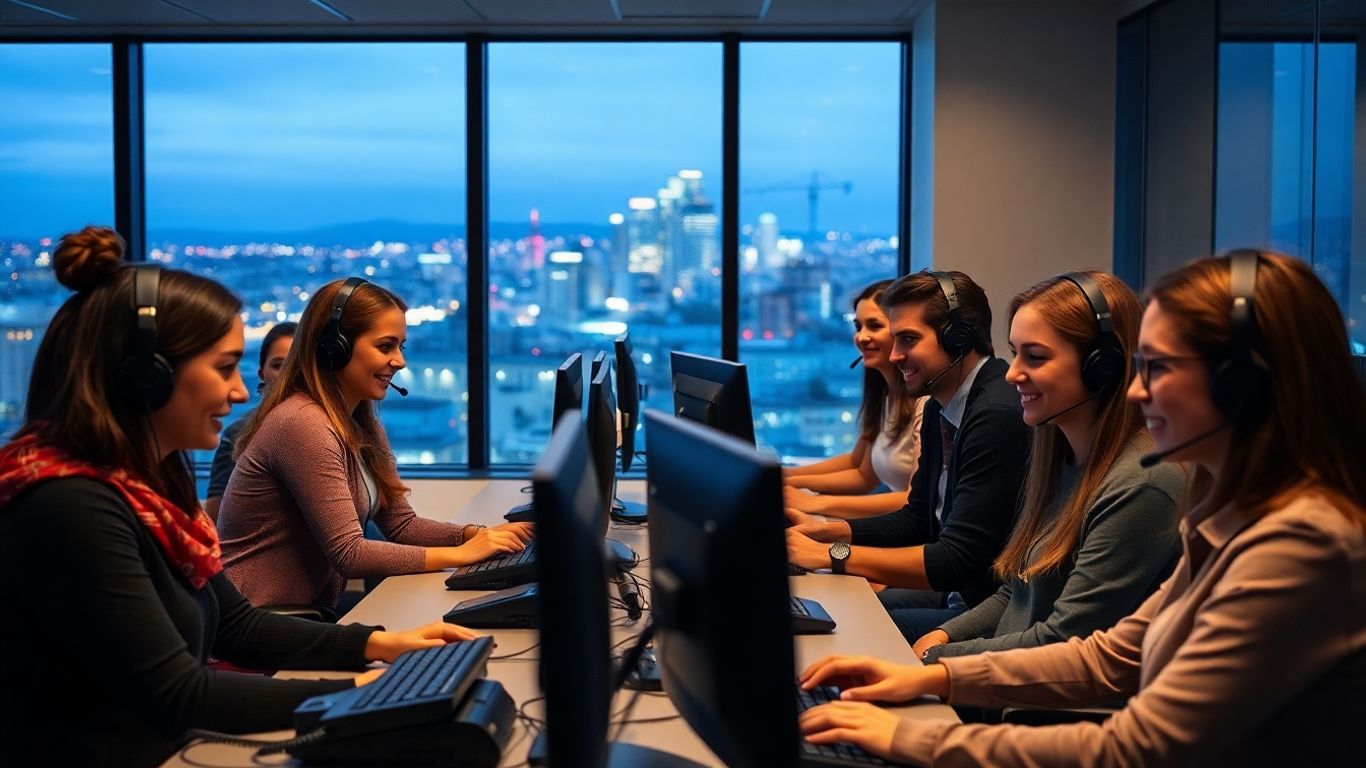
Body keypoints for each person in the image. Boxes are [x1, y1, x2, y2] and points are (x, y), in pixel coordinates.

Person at [798, 250, 1366, 765]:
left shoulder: (1300, 543)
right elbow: (1112, 656)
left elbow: (1139, 745)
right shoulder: (1230, 517)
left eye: (1160, 368)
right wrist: (938, 676)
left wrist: (913, 736)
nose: (1138, 391)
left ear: (1243, 388)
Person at [0, 227, 480, 767]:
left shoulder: (150, 483)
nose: (239, 391)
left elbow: (236, 625)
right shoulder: (71, 505)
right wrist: (366, 693)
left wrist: (379, 645)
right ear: (146, 378)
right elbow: (181, 694)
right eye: (225, 367)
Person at [911, 271, 1182, 670]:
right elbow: (1014, 592)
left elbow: (1062, 639)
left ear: (1102, 367)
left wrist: (938, 659)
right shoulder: (1059, 458)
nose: (1011, 373)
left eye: (1034, 357)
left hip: (1044, 708)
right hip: (1007, 690)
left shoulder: (1143, 484)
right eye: (1015, 352)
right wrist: (945, 635)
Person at [217, 277, 532, 613]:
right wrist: (460, 554)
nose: (399, 361)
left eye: (401, 347)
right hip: (257, 624)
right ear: (333, 348)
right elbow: (350, 554)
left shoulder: (361, 423)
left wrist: (479, 536)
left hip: (299, 616)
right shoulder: (301, 423)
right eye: (385, 346)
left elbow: (401, 525)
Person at [786, 270, 1030, 639]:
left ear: (959, 337)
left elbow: (956, 559)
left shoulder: (994, 414)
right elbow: (918, 518)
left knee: (851, 632)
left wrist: (830, 555)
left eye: (909, 339)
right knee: (840, 615)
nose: (896, 354)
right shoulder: (939, 405)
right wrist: (823, 532)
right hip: (958, 595)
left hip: (990, 611)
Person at [785, 279, 927, 519]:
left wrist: (814, 503)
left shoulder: (923, 403)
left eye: (874, 326)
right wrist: (787, 478)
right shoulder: (885, 393)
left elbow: (913, 501)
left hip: (908, 533)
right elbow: (863, 472)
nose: (861, 337)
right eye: (858, 326)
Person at [202, 320, 296, 520]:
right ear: (262, 374)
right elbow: (216, 514)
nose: (288, 375)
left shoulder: (333, 429)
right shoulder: (238, 434)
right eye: (279, 365)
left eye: (297, 365)